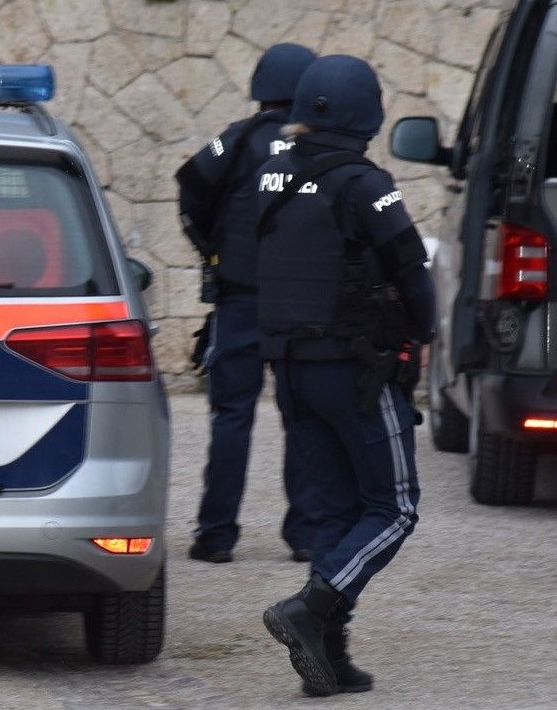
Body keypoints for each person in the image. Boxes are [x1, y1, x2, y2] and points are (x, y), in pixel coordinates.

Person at [253, 55, 435, 697]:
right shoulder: (367, 182)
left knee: (333, 509)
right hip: (356, 370)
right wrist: (427, 332)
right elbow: (411, 265)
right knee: (395, 506)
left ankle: (328, 657)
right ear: (368, 114)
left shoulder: (271, 174)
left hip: (291, 369)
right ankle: (314, 604)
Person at [175, 43, 321, 564]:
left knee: (231, 419)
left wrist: (212, 249)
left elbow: (190, 188)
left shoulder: (238, 140)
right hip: (302, 309)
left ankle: (215, 537)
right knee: (302, 418)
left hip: (239, 302)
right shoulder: (321, 148)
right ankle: (305, 535)